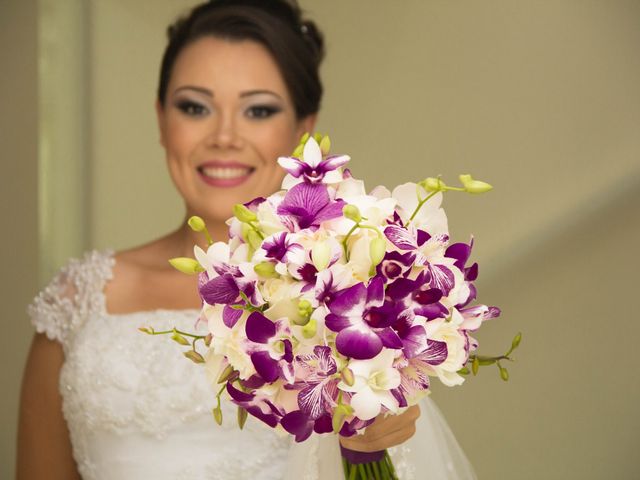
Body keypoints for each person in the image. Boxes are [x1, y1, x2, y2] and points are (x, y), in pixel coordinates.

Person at [17, 1, 477, 479]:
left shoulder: (351, 288)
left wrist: (360, 449)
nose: (224, 136)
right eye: (195, 107)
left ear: (304, 129)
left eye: (258, 110)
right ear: (160, 119)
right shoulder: (78, 301)